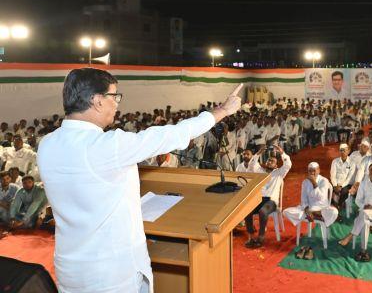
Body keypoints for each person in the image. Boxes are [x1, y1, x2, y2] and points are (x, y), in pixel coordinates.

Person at [37, 68, 242, 292]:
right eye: (114, 96)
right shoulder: (106, 145)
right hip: (112, 271)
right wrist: (222, 110)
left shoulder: (47, 143)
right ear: (97, 101)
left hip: (71, 268)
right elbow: (171, 134)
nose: (117, 104)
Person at [338, 163, 372, 262]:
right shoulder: (364, 183)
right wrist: (363, 206)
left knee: (364, 214)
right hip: (365, 212)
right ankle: (363, 250)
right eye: (371, 170)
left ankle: (350, 236)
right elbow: (358, 200)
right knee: (365, 221)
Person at [244, 145, 292, 248]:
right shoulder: (260, 171)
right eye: (268, 160)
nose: (269, 162)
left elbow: (288, 164)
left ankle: (261, 237)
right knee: (246, 209)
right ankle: (251, 236)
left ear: (276, 166)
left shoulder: (279, 173)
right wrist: (258, 153)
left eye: (272, 161)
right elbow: (252, 165)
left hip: (271, 201)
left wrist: (281, 152)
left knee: (263, 211)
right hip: (259, 200)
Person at [283, 162, 338, 228]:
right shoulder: (305, 182)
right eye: (310, 171)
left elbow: (321, 197)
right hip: (309, 207)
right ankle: (313, 214)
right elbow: (303, 199)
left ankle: (316, 213)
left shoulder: (324, 181)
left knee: (334, 212)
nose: (312, 173)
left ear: (318, 170)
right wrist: (306, 209)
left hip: (322, 208)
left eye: (314, 170)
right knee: (286, 212)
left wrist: (314, 182)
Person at [330, 143, 356, 211]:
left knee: (344, 191)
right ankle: (333, 204)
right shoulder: (335, 161)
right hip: (335, 183)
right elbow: (332, 175)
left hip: (346, 184)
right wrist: (335, 185)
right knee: (328, 189)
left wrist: (341, 186)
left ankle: (338, 205)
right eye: (341, 150)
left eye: (344, 150)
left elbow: (349, 178)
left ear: (348, 151)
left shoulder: (352, 162)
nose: (343, 152)